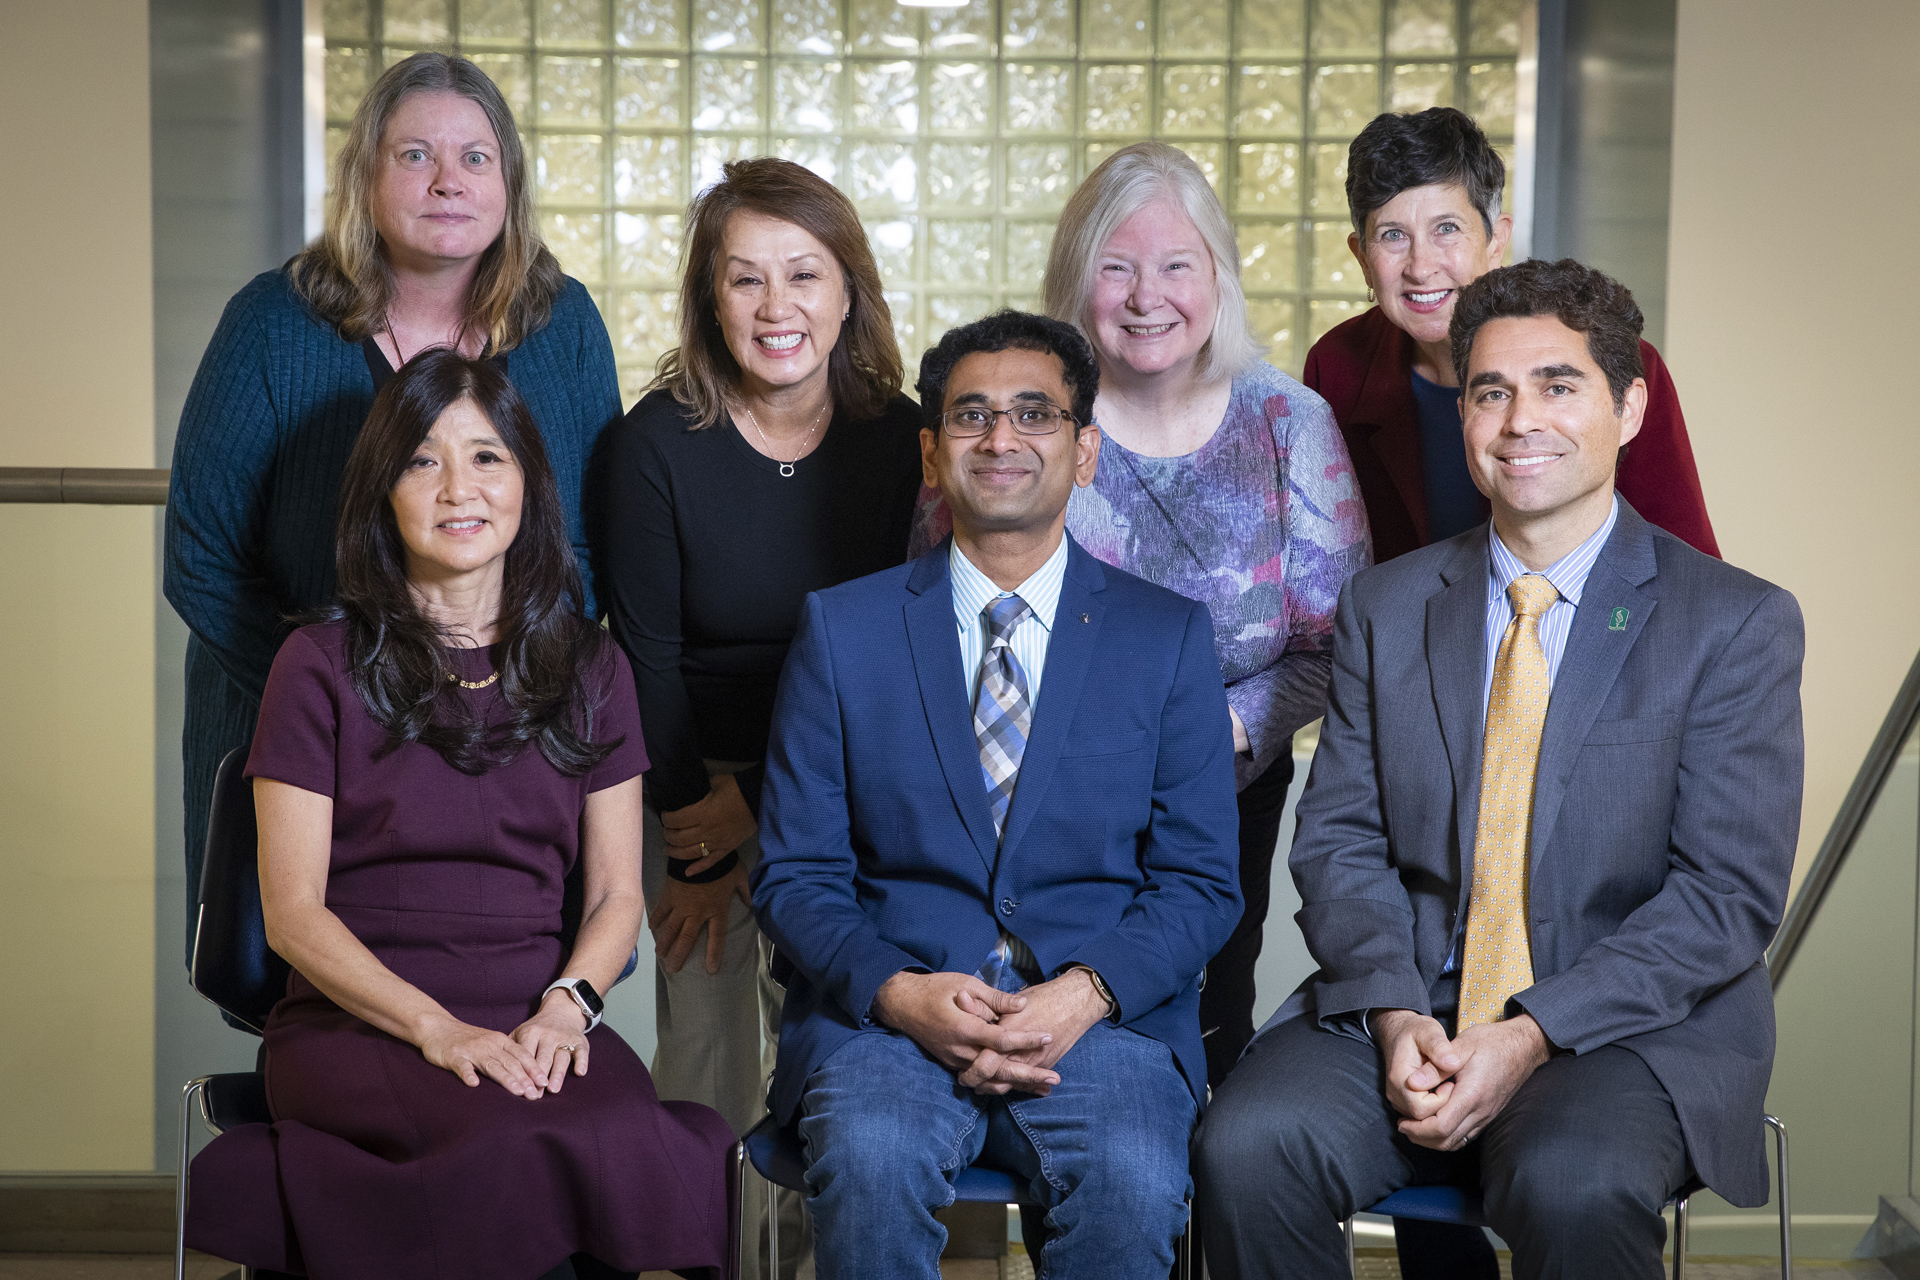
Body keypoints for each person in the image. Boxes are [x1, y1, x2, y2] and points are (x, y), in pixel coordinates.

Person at [1192, 260, 1803, 1280]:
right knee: (1245, 1147)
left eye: (1559, 384)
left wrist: (1526, 1035)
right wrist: (1393, 1014)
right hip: (1408, 1002)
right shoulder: (1387, 606)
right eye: (1490, 390)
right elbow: (1340, 840)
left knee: (1573, 1181)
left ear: (1630, 406)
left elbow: (1725, 895)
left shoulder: (1732, 621)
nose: (1522, 419)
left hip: (1622, 1026)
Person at [182, 351, 731, 1279]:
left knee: (620, 1132)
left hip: (536, 1018)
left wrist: (568, 1008)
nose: (457, 488)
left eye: (487, 457)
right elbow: (294, 913)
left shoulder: (591, 668)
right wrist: (435, 1028)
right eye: (421, 460)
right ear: (381, 491)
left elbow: (613, 898)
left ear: (527, 484)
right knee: (502, 1142)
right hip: (363, 1025)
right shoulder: (315, 664)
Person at [752, 310, 1241, 1280]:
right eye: (971, 416)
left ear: (1085, 447)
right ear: (931, 453)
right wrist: (898, 991)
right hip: (888, 1022)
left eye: (1034, 414)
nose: (1002, 438)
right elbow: (794, 873)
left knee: (1136, 1177)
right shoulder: (843, 631)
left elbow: (1199, 881)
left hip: (1099, 1023)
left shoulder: (1169, 637)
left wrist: (1085, 990)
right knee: (873, 1157)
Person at [912, 141, 1371, 1086]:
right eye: (1114, 268)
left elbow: (1337, 640)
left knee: (1204, 1038)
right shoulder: (1015, 424)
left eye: (1175, 266)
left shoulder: (1290, 423)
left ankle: (1190, 1238)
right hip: (1024, 811)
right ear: (1074, 285)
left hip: (1225, 799)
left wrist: (1212, 735)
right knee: (1025, 1050)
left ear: (1218, 278)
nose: (1144, 295)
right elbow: (931, 619)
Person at [164, 51, 621, 961]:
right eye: (414, 155)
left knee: (510, 992)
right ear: (366, 177)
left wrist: (497, 708)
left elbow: (591, 552)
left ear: (510, 183)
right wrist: (340, 707)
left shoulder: (563, 323)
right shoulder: (272, 321)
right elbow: (200, 559)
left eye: (476, 158)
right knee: (318, 1000)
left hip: (512, 742)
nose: (448, 181)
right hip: (305, 749)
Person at [594, 156, 921, 1278]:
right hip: (681, 781)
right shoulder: (651, 447)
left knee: (840, 1043)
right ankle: (707, 1262)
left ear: (847, 294)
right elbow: (644, 655)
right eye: (745, 280)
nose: (777, 307)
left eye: (804, 275)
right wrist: (698, 835)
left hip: (841, 783)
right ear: (708, 297)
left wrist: (767, 808)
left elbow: (893, 640)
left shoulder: (899, 439)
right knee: (706, 1043)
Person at [1305, 107, 1718, 564]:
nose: (1421, 267)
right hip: (1401, 632)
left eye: (1447, 229)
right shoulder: (1336, 366)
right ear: (1362, 257)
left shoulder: (1612, 357)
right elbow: (1327, 565)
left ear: (1496, 240)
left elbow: (1685, 569)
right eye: (1392, 235)